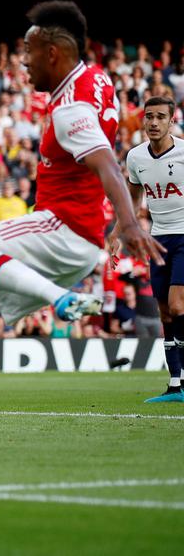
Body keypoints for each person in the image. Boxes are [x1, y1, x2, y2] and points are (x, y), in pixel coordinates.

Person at [0, 1, 163, 454]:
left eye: (28, 52)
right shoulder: (97, 80)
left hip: (64, 229)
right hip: (76, 238)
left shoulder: (70, 108)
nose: (22, 62)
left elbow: (107, 163)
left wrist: (128, 221)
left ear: (52, 52)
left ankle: (62, 300)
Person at [124, 96, 184, 403]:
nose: (154, 122)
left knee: (177, 306)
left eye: (161, 116)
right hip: (158, 239)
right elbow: (133, 194)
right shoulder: (135, 157)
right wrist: (122, 226)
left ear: (172, 120)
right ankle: (175, 385)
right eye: (149, 117)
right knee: (165, 314)